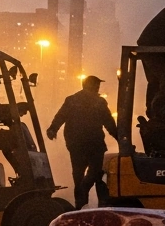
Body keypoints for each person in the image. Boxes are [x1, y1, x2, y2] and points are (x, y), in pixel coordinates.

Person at [47, 75, 120, 209]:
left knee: (79, 175)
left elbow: (60, 116)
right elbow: (109, 122)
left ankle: (80, 205)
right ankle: (88, 197)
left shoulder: (73, 100)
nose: (98, 88)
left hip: (77, 144)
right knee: (95, 173)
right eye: (96, 85)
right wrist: (120, 138)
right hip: (93, 143)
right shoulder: (98, 102)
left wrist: (53, 129)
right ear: (89, 86)